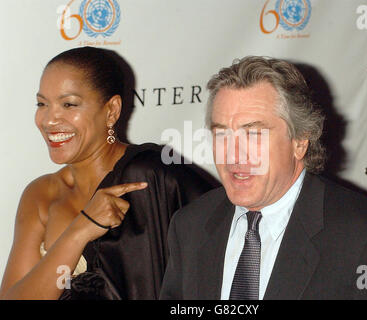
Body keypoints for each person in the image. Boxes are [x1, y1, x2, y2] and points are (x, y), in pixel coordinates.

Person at [160, 56, 367, 299]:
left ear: (300, 141)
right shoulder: (190, 226)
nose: (233, 155)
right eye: (221, 134)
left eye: (253, 134)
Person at [0, 47, 216, 300]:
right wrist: (80, 230)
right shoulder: (42, 194)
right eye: (42, 104)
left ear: (111, 110)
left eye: (69, 104)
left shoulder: (154, 178)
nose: (48, 120)